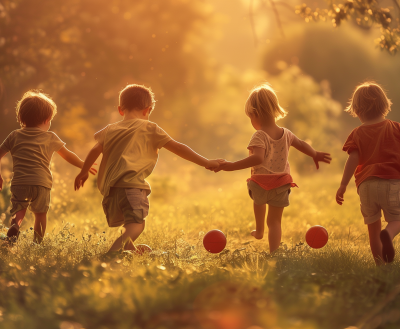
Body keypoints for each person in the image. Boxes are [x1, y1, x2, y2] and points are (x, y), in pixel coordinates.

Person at [74, 84, 220, 257]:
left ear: (121, 110)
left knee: (129, 224)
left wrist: (83, 171)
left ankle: (130, 251)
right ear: (147, 110)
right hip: (131, 186)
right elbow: (179, 148)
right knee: (137, 225)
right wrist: (206, 162)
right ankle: (111, 255)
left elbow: (94, 150)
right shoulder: (150, 128)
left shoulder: (110, 129)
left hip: (110, 192)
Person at [212, 84, 331, 253]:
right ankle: (274, 253)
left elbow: (258, 158)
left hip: (261, 182)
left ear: (256, 114)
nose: (251, 121)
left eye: (250, 117)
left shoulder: (259, 135)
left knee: (258, 202)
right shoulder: (286, 133)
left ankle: (259, 230)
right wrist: (315, 154)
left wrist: (230, 166)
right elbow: (302, 144)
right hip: (281, 183)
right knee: (275, 222)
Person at [0, 90, 97, 243]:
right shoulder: (50, 137)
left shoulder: (14, 135)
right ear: (46, 120)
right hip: (41, 183)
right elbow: (67, 154)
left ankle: (15, 227)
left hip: (20, 182)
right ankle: (37, 244)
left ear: (21, 117)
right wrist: (84, 165)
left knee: (19, 210)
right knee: (40, 214)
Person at [336, 82, 400, 264]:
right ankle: (389, 233)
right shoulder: (396, 128)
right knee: (397, 219)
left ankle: (381, 266)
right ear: (385, 105)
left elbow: (353, 160)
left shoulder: (356, 133)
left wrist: (343, 185)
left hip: (366, 186)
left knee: (373, 230)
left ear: (357, 110)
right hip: (392, 182)